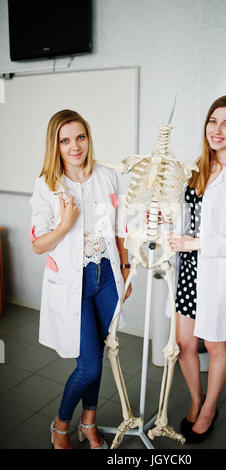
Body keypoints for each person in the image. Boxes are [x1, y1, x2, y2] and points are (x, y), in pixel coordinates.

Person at [30, 109, 132, 449]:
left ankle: (88, 422)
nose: (75, 146)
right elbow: (37, 244)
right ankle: (61, 424)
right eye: (65, 140)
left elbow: (120, 226)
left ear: (88, 138)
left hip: (106, 275)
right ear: (55, 145)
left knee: (97, 355)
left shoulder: (106, 175)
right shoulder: (47, 184)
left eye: (80, 137)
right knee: (87, 366)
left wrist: (127, 267)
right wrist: (64, 224)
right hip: (75, 283)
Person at [167, 95, 226, 444]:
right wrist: (168, 228)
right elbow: (185, 217)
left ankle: (209, 409)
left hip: (217, 272)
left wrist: (198, 244)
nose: (217, 130)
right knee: (184, 343)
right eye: (212, 121)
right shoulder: (197, 168)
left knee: (215, 344)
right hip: (188, 269)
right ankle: (195, 400)